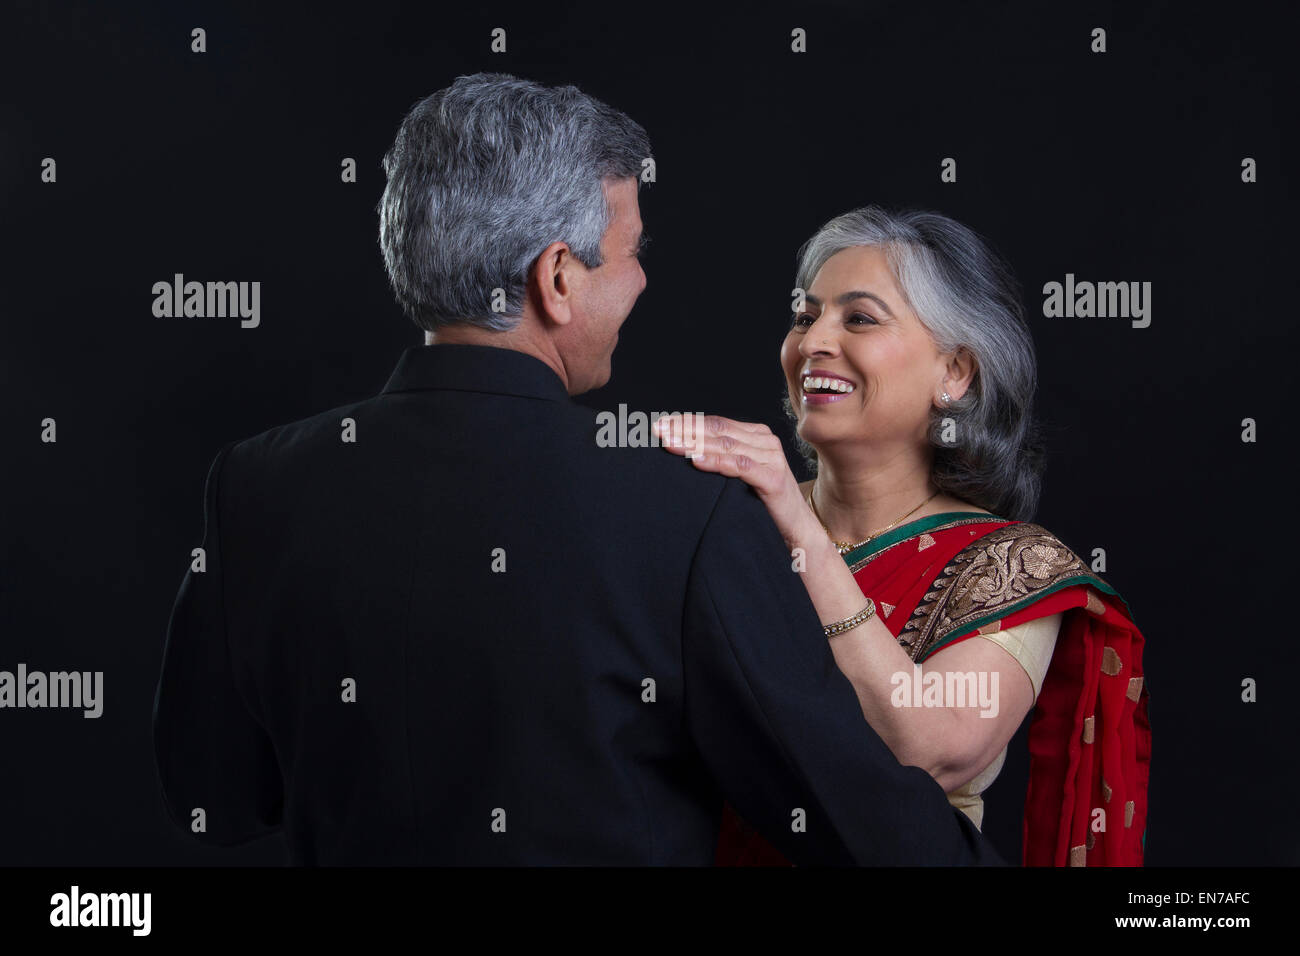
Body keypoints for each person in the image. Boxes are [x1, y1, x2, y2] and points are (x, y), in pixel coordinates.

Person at [151, 74, 1003, 865]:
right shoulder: (687, 511)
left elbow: (214, 793)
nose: (638, 280)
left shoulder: (253, 488)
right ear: (557, 279)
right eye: (629, 251)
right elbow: (845, 816)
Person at [655, 206, 1151, 866]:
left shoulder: (1014, 566)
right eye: (805, 317)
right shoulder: (723, 522)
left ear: (956, 374)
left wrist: (794, 520)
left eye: (858, 318)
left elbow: (924, 750)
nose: (812, 343)